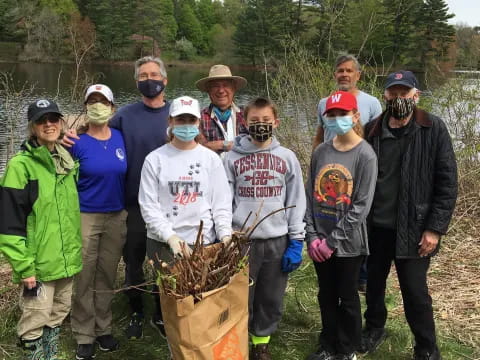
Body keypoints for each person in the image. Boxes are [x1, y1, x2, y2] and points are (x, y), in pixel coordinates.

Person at [62, 56, 170, 340]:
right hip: (130, 206)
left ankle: (163, 313)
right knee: (133, 264)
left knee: (166, 264)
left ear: (164, 80)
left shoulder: (177, 116)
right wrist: (71, 135)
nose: (149, 80)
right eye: (143, 75)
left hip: (169, 207)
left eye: (154, 74)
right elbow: (99, 134)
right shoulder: (125, 116)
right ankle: (135, 311)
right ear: (136, 82)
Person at [359, 71, 458, 360]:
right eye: (393, 92)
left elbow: (448, 182)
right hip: (376, 226)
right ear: (385, 96)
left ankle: (426, 347)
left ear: (416, 96)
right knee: (374, 285)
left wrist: (435, 229)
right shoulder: (371, 130)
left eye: (405, 93)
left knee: (415, 292)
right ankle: (374, 328)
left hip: (414, 229)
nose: (399, 98)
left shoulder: (433, 128)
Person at [223, 97, 306, 360]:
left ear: (276, 123)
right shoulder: (230, 158)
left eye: (266, 121)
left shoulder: (287, 157)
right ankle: (236, 339)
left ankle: (261, 342)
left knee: (270, 296)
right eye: (254, 121)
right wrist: (224, 234)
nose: (260, 126)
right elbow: (224, 199)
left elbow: (295, 200)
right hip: (241, 241)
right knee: (238, 296)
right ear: (244, 123)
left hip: (276, 240)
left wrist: (296, 239)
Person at [0, 99, 82, 360]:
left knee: (58, 313)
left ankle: (51, 355)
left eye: (53, 119)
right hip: (38, 266)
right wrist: (24, 267)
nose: (48, 124)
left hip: (66, 261)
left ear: (61, 123)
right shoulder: (20, 167)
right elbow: (9, 223)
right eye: (41, 120)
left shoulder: (66, 161)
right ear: (32, 127)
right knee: (35, 319)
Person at [304, 91, 378, 360]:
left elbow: (360, 206)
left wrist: (332, 241)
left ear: (355, 116)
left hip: (348, 244)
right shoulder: (321, 151)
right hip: (318, 243)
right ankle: (328, 343)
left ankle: (347, 349)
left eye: (342, 114)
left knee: (347, 297)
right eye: (331, 115)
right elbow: (310, 195)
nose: (337, 119)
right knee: (326, 295)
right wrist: (312, 237)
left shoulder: (365, 155)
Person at [313, 54, 382, 293]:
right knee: (329, 214)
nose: (344, 74)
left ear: (358, 75)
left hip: (357, 170)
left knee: (357, 220)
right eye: (340, 70)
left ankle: (360, 275)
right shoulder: (324, 102)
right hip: (329, 169)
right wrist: (314, 161)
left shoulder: (371, 103)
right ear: (335, 74)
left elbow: (376, 137)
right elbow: (320, 133)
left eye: (349, 71)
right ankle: (328, 258)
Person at [68, 85, 127, 360]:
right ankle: (84, 334)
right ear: (86, 107)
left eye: (103, 102)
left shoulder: (119, 138)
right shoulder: (75, 142)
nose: (98, 106)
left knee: (106, 274)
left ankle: (104, 328)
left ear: (112, 108)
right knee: (84, 275)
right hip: (85, 216)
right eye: (92, 101)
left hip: (116, 215)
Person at [138, 95, 232, 267]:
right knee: (168, 292)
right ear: (171, 122)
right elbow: (148, 206)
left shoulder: (211, 159)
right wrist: (171, 237)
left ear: (198, 122)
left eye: (191, 119)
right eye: (181, 119)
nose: (187, 124)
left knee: (204, 293)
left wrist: (225, 234)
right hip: (164, 244)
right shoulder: (155, 159)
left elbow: (221, 204)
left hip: (203, 243)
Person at [196, 64, 249, 155]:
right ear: (208, 90)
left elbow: (257, 144)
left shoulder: (247, 115)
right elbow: (197, 148)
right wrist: (225, 145)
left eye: (226, 85)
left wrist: (214, 145)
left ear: (234, 88)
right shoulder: (198, 118)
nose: (221, 91)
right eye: (215, 86)